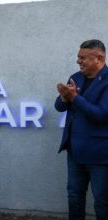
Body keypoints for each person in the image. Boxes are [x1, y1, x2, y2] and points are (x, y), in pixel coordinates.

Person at [55, 39, 108, 220]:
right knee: (74, 197)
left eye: (83, 57)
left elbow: (101, 115)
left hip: (100, 154)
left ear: (99, 58)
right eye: (78, 57)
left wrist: (74, 98)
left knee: (102, 201)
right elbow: (59, 107)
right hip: (75, 151)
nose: (78, 61)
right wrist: (64, 97)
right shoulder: (76, 77)